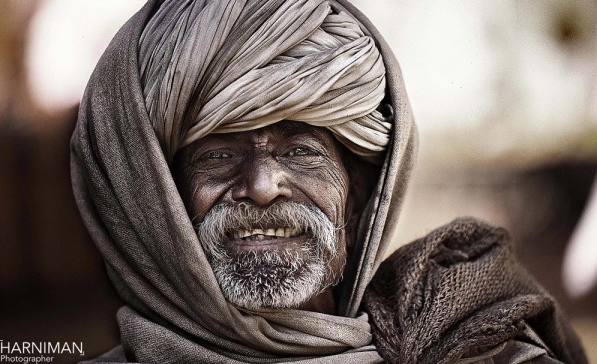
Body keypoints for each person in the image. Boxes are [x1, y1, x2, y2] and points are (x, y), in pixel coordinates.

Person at [71, 0, 587, 362]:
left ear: (359, 192)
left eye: (300, 152)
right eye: (219, 155)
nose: (263, 184)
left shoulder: (476, 348)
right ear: (156, 200)